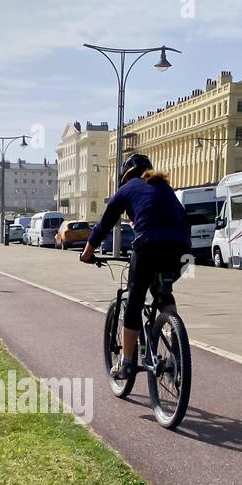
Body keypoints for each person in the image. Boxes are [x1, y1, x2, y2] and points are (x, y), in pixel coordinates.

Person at [81, 153, 190, 379]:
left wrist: (87, 253)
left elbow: (105, 222)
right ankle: (175, 347)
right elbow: (183, 218)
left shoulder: (128, 188)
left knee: (135, 299)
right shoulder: (164, 187)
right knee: (163, 290)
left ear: (126, 176)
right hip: (182, 251)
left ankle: (126, 363)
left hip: (149, 246)